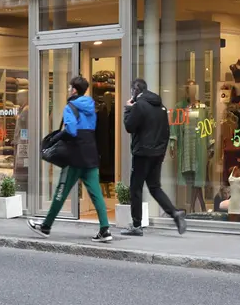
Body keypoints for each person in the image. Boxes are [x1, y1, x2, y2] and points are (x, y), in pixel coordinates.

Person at [28, 76, 113, 242]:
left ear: (74, 90)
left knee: (61, 191)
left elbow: (71, 130)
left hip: (74, 156)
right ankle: (105, 229)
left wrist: (54, 138)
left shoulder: (70, 107)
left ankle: (46, 226)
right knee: (96, 193)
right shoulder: (91, 106)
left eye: (69, 87)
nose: (68, 90)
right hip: (90, 153)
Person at [121, 78, 187, 236]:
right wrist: (161, 151)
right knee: (154, 187)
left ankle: (136, 225)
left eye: (132, 91)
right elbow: (166, 131)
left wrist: (128, 109)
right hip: (157, 154)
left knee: (136, 188)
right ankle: (174, 213)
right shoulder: (161, 107)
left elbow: (129, 126)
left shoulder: (139, 106)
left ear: (135, 90)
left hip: (142, 153)